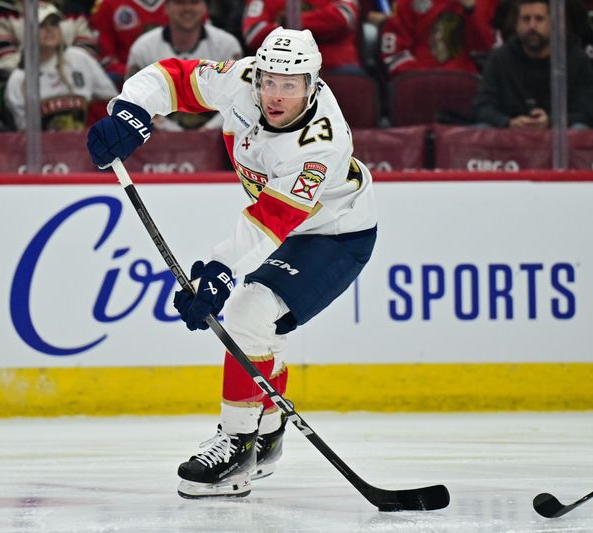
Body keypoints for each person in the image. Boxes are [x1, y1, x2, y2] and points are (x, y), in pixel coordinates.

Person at [86, 27, 377, 499]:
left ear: (313, 84)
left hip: (335, 235)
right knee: (259, 325)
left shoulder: (322, 144)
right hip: (288, 229)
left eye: (290, 85)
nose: (275, 94)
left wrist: (221, 270)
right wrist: (131, 110)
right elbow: (173, 77)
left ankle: (239, 444)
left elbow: (272, 219)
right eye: (269, 81)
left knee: (246, 312)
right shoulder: (242, 80)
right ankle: (267, 433)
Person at [473, 0, 593, 128]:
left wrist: (551, 121)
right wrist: (507, 122)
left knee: (580, 128)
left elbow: (587, 110)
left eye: (539, 19)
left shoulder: (576, 59)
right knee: (482, 129)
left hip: (560, 137)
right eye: (526, 19)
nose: (532, 26)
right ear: (516, 23)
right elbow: (482, 106)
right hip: (510, 138)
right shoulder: (499, 59)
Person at [125, 0, 241, 130]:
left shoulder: (227, 45)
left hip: (219, 137)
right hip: (159, 140)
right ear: (166, 7)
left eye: (194, 2)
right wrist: (171, 130)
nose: (187, 8)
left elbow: (239, 99)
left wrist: (209, 129)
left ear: (206, 7)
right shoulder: (143, 48)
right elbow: (134, 101)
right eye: (180, 2)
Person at [4, 2, 117, 130]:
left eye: (54, 24)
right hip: (47, 148)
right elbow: (24, 134)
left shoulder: (80, 58)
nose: (50, 29)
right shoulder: (19, 80)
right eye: (42, 25)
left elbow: (110, 101)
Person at [0, 0, 98, 80]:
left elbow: (87, 48)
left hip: (75, 80)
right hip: (24, 85)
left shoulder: (71, 5)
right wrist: (49, 74)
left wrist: (66, 72)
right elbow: (5, 61)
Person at [379, 0, 498, 78]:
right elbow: (394, 55)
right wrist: (420, 77)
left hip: (467, 84)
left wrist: (471, 10)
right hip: (419, 85)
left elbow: (487, 50)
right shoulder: (407, 3)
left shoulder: (487, 3)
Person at [242, 0, 362, 71]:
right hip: (280, 69)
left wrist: (289, 23)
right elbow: (254, 33)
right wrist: (319, 24)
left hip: (335, 67)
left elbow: (344, 17)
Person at [90, 0, 168, 81]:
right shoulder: (108, 4)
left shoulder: (177, 4)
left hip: (175, 77)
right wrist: (135, 74)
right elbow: (107, 59)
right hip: (127, 82)